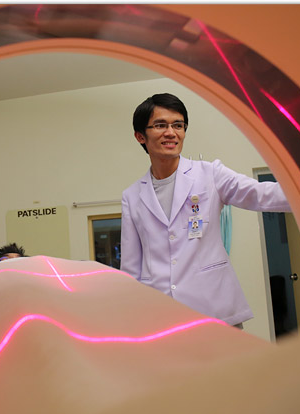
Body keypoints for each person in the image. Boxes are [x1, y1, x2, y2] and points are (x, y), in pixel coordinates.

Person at [121, 93, 291, 328]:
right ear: (140, 136)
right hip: (162, 316)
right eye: (160, 125)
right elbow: (130, 268)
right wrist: (132, 322)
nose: (171, 132)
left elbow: (260, 194)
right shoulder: (132, 196)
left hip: (214, 308)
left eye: (178, 125)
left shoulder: (210, 174)